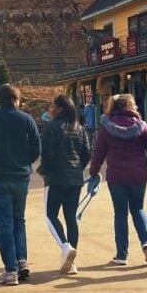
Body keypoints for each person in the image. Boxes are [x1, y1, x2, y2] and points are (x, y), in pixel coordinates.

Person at [88, 93, 147, 266]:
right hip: (138, 176)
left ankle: (121, 255)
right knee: (138, 209)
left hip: (116, 177)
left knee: (120, 214)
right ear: (131, 106)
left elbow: (98, 154)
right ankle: (146, 242)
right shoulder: (141, 127)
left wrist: (93, 173)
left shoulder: (106, 128)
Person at [0, 84, 41, 286]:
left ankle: (10, 269)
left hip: (0, 176)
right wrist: (25, 163)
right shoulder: (27, 120)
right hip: (21, 176)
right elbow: (36, 148)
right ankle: (21, 260)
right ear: (17, 99)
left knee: (4, 222)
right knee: (19, 219)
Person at [38, 94, 90, 275]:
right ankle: (72, 262)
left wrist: (44, 171)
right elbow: (86, 154)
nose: (50, 108)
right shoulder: (79, 128)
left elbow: (47, 154)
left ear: (59, 108)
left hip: (56, 178)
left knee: (50, 215)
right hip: (75, 180)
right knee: (70, 218)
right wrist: (77, 169)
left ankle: (65, 247)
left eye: (52, 105)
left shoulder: (51, 127)